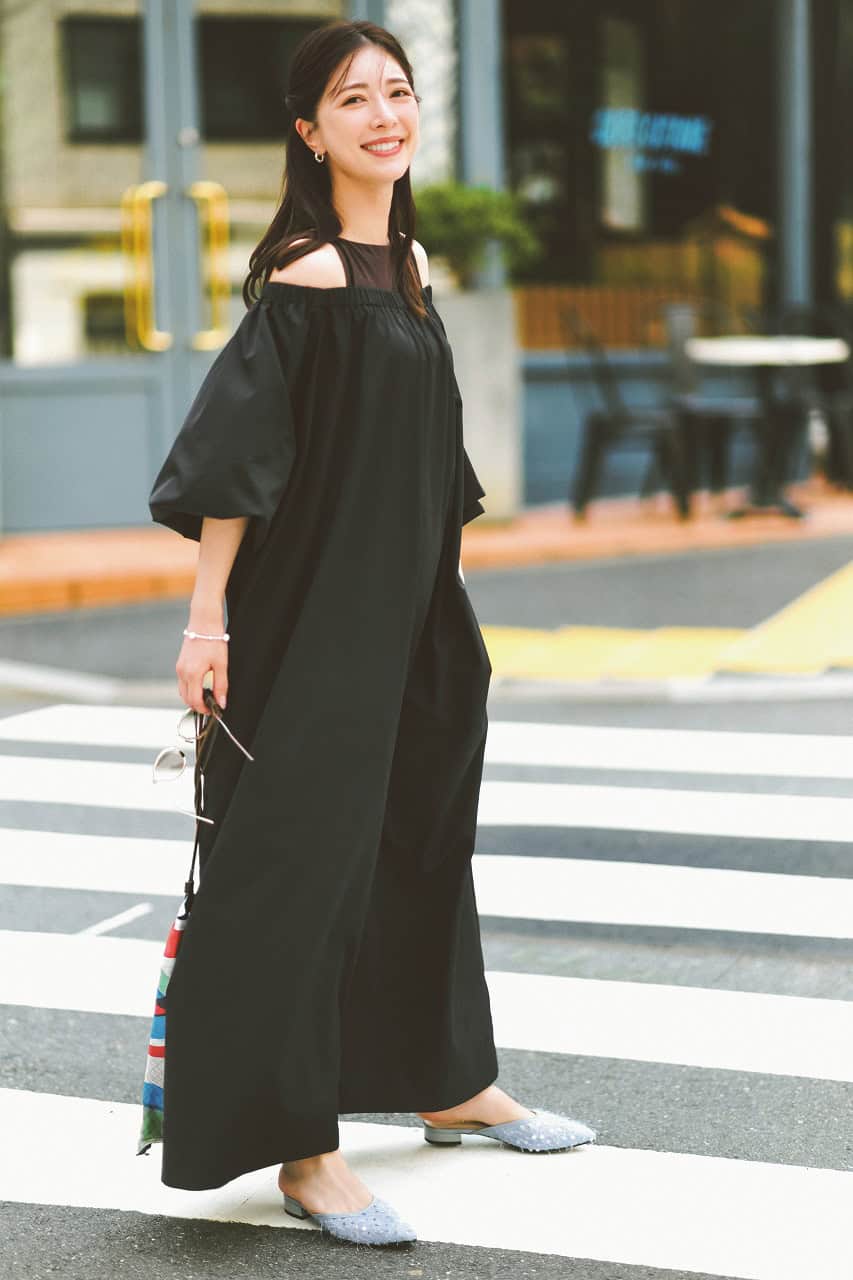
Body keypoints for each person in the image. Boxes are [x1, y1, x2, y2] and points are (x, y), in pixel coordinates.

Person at [146, 17, 596, 1248]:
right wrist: (206, 621)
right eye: (354, 100)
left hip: (415, 608)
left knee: (420, 837)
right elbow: (237, 464)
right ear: (309, 131)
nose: (385, 116)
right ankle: (305, 1153)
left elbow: (422, 449)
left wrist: (442, 585)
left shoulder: (408, 264)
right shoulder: (306, 276)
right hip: (316, 617)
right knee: (302, 864)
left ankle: (448, 1080)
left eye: (398, 93)